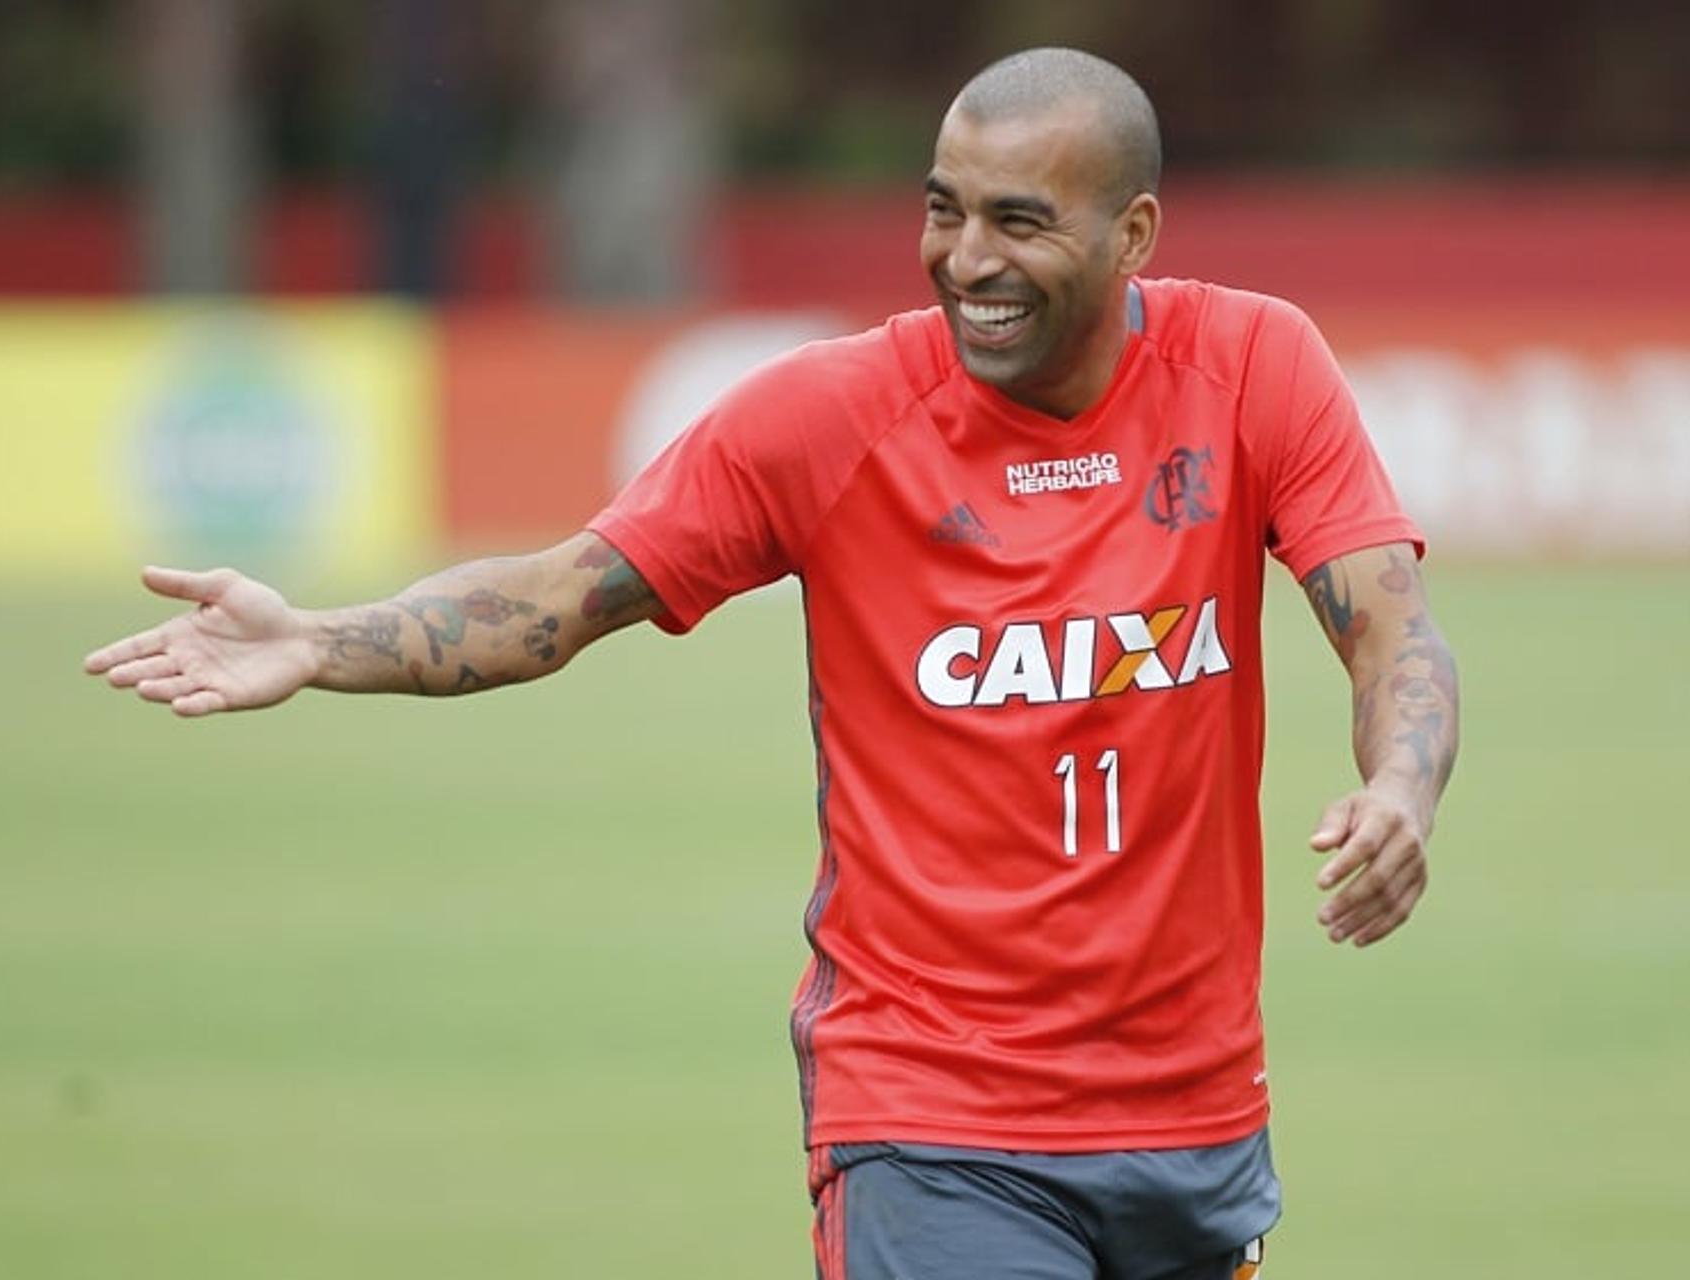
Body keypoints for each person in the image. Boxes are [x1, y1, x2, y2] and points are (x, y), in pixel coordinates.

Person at [84, 47, 1459, 1280]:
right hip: (930, 1120)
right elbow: (562, 595)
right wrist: (321, 640)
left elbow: (1388, 623)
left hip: (1195, 1120)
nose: (965, 257)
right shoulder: (831, 416)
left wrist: (1400, 782)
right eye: (943, 208)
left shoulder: (1255, 367)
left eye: (1018, 221)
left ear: (1133, 234)